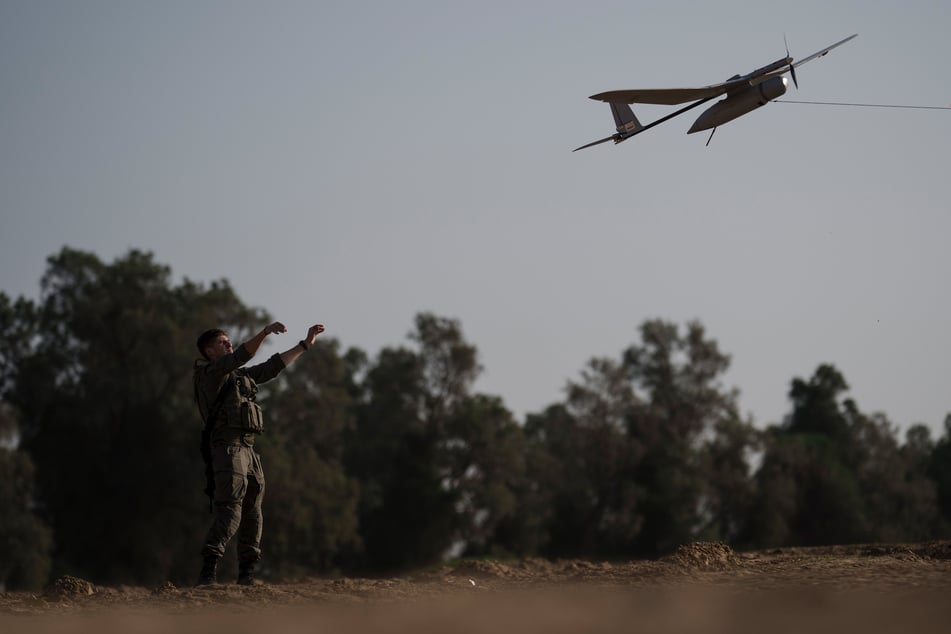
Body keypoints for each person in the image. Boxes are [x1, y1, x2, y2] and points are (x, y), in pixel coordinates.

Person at [193, 320, 325, 586]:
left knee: (253, 512)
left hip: (248, 449)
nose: (228, 344)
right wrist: (265, 332)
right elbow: (244, 354)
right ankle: (208, 570)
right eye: (222, 342)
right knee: (230, 510)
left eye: (229, 341)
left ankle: (247, 573)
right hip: (228, 448)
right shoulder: (211, 374)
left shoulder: (239, 378)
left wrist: (304, 346)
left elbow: (272, 367)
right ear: (209, 351)